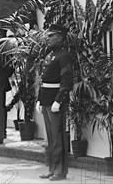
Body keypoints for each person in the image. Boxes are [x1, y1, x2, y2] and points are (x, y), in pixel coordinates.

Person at [36, 24, 73, 181]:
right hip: (46, 99)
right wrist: (39, 99)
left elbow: (66, 81)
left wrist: (59, 100)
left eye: (52, 36)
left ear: (60, 38)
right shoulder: (50, 55)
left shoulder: (64, 55)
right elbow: (43, 80)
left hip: (55, 101)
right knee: (51, 138)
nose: (48, 38)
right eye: (49, 36)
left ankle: (60, 171)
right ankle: (52, 168)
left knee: (58, 137)